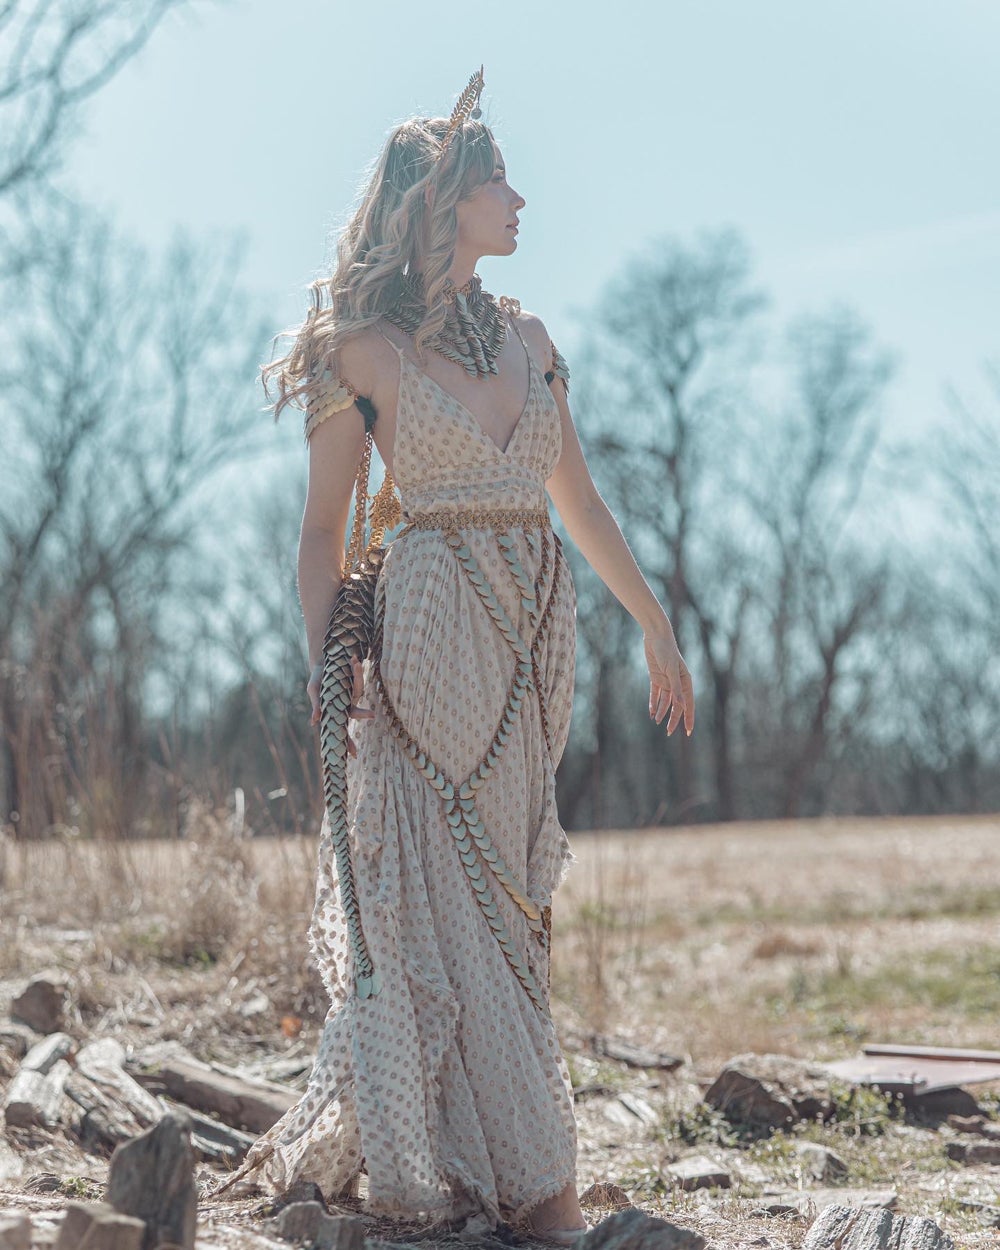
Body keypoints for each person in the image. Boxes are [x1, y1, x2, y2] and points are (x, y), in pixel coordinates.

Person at [210, 69, 694, 1243]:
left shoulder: (531, 339)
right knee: (437, 903)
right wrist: (339, 671)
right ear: (442, 204)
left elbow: (576, 500)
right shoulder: (362, 351)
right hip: (421, 631)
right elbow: (320, 538)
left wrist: (653, 620)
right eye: (497, 182)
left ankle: (500, 1171)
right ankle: (525, 1190)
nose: (521, 199)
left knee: (510, 906)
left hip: (532, 640)